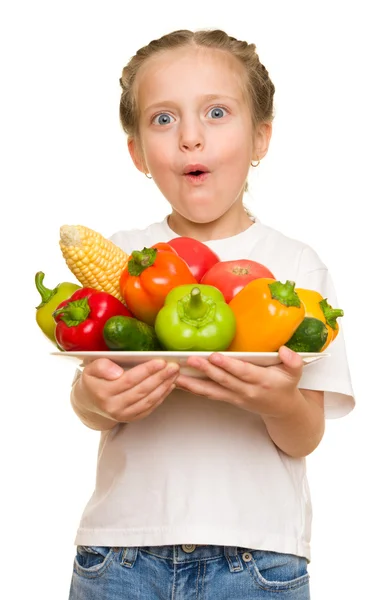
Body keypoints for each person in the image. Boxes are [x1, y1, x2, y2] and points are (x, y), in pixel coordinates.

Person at [68, 29, 355, 600]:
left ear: (261, 137)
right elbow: (91, 399)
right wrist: (92, 399)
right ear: (137, 153)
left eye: (216, 113)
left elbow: (307, 435)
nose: (190, 139)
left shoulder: (298, 267)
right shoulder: (125, 260)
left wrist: (277, 401)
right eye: (164, 119)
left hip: (258, 560)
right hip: (122, 551)